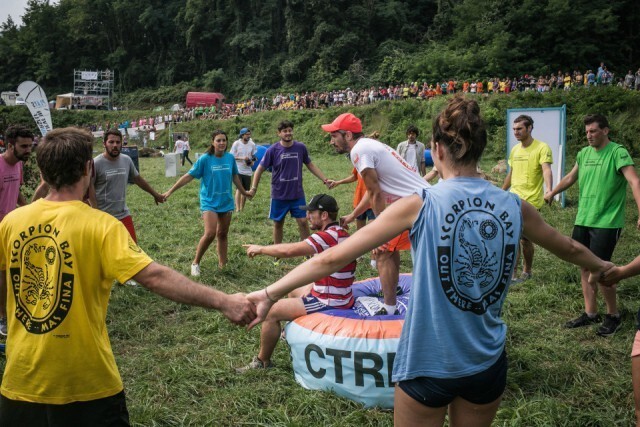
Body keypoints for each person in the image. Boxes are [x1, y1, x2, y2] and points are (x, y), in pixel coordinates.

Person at [245, 96, 611, 427]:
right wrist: (606, 268)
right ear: (482, 148)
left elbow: (332, 258)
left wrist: (269, 292)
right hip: (486, 362)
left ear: (435, 150)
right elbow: (572, 249)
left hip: (427, 363)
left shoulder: (420, 203)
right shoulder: (515, 206)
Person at [0, 127, 256, 425]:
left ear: (42, 172)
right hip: (86, 385)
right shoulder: (102, 225)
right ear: (87, 168)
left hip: (18, 382)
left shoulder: (11, 222)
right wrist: (224, 301)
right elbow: (154, 276)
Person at [321, 112, 429, 315]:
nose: (331, 141)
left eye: (334, 136)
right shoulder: (367, 146)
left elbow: (375, 192)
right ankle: (393, 302)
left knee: (382, 251)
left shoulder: (359, 151)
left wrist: (381, 232)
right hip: (417, 203)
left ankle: (389, 308)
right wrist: (354, 215)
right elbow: (373, 191)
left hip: (416, 206)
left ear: (348, 135)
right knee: (390, 251)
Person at [544, 114, 640, 336]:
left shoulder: (618, 152)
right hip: (583, 219)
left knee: (602, 268)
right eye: (587, 131)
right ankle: (590, 313)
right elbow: (571, 177)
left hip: (606, 222)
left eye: (594, 131)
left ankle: (613, 315)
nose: (589, 135)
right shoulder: (584, 153)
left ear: (605, 131)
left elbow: (634, 181)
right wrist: (553, 192)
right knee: (584, 266)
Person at [237, 194, 355, 371]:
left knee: (271, 312)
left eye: (312, 213)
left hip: (330, 302)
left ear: (324, 216)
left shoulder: (326, 237)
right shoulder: (341, 233)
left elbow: (290, 250)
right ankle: (286, 333)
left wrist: (261, 249)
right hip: (339, 294)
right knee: (293, 290)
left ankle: (262, 362)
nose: (308, 217)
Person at [163, 130, 253, 276]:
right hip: (209, 201)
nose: (222, 143)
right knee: (210, 233)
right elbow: (188, 176)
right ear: (213, 142)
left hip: (226, 201)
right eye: (218, 140)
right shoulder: (205, 159)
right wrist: (170, 191)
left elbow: (235, 176)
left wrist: (244, 192)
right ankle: (195, 262)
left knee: (223, 233)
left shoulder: (230, 158)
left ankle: (223, 265)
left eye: (224, 140)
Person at [247, 120, 330, 246]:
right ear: (279, 133)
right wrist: (254, 188)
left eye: (290, 130)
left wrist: (324, 179)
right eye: (285, 131)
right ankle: (277, 253)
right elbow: (259, 169)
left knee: (303, 221)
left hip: (297, 194)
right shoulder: (273, 150)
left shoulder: (300, 147)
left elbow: (310, 165)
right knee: (278, 223)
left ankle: (307, 251)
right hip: (279, 195)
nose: (288, 133)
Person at [502, 115, 553, 283]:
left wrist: (550, 190)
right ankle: (513, 274)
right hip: (513, 199)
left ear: (529, 128)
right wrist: (501, 192)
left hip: (531, 201)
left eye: (519, 129)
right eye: (514, 129)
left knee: (526, 240)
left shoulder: (542, 148)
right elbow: (511, 173)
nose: (516, 132)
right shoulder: (515, 150)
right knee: (512, 237)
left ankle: (527, 270)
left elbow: (546, 170)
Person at [93, 129, 165, 244]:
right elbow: (87, 190)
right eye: (111, 142)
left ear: (122, 143)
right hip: (103, 218)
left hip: (123, 215)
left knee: (133, 249)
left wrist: (155, 194)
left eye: (118, 142)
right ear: (104, 144)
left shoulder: (126, 160)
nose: (115, 145)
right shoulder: (96, 164)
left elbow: (137, 179)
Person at [0, 125, 33, 336]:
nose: (28, 150)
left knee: (14, 271)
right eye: (24, 146)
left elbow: (16, 192)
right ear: (10, 145)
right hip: (1, 230)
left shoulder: (18, 165)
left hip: (13, 228)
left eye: (30, 146)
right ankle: (2, 318)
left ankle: (11, 309)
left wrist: (29, 209)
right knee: (2, 274)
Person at [230, 128, 257, 212]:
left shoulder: (252, 144)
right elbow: (231, 156)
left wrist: (252, 162)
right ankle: (237, 209)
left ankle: (242, 209)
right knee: (239, 188)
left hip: (247, 171)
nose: (248, 136)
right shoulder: (236, 144)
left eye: (249, 134)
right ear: (242, 135)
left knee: (246, 190)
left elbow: (253, 156)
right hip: (238, 169)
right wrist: (242, 158)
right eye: (247, 134)